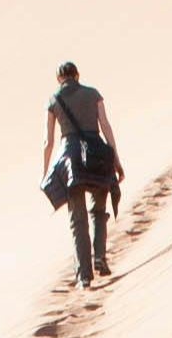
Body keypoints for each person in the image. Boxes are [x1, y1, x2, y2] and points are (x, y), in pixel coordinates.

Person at [42, 61, 121, 287]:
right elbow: (105, 126)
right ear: (77, 75)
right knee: (98, 210)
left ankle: (84, 276)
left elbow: (48, 141)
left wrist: (45, 172)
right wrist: (116, 159)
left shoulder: (53, 100)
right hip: (97, 155)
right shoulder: (93, 94)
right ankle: (99, 257)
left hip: (71, 162)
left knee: (78, 220)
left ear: (59, 79)